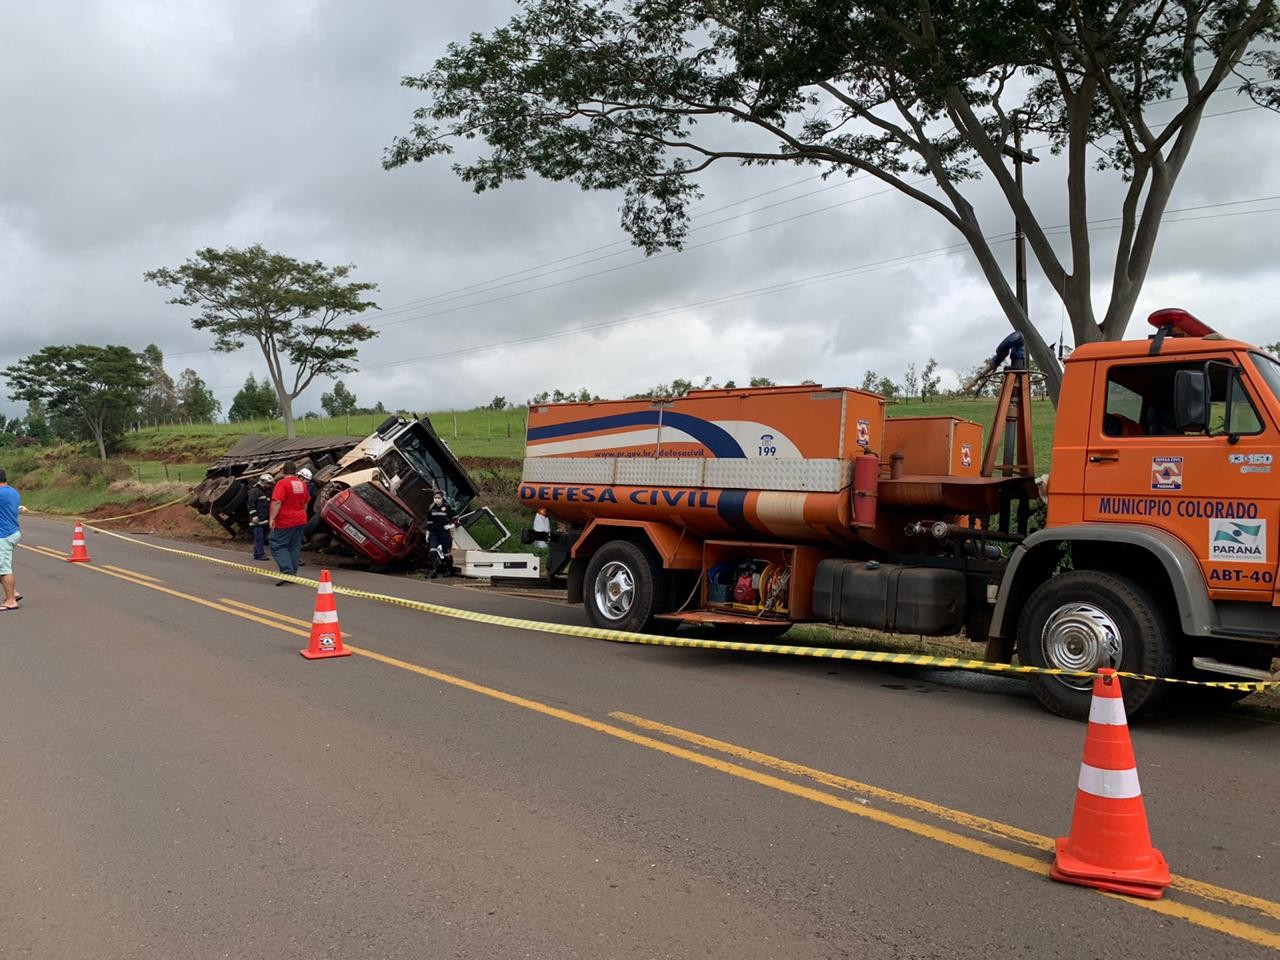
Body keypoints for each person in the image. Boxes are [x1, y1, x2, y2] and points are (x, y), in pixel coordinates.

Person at [268, 461, 311, 585]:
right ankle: (293, 573)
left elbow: (277, 501)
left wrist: (272, 518)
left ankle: (287, 572)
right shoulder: (302, 484)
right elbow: (306, 502)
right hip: (300, 519)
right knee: (294, 546)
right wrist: (301, 514)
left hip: (285, 520)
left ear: (283, 471)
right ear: (295, 471)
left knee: (276, 543)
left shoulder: (282, 483)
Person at [0, 469, 21, 610]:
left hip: (4, 535)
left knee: (4, 569)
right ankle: (13, 592)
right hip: (12, 531)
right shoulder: (13, 492)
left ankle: (11, 601)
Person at [425, 491, 456, 579]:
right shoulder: (432, 508)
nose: (437, 500)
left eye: (438, 498)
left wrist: (451, 525)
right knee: (432, 552)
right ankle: (433, 571)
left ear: (442, 498)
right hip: (434, 533)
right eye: (435, 498)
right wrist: (427, 533)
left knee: (446, 553)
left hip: (444, 533)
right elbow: (429, 522)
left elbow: (455, 518)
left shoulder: (447, 507)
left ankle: (450, 570)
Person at [247, 473, 274, 561]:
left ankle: (259, 553)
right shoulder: (255, 491)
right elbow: (250, 504)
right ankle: (259, 554)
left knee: (264, 537)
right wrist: (254, 515)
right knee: (259, 537)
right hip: (257, 520)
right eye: (268, 483)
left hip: (264, 519)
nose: (270, 485)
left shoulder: (267, 492)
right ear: (263, 482)